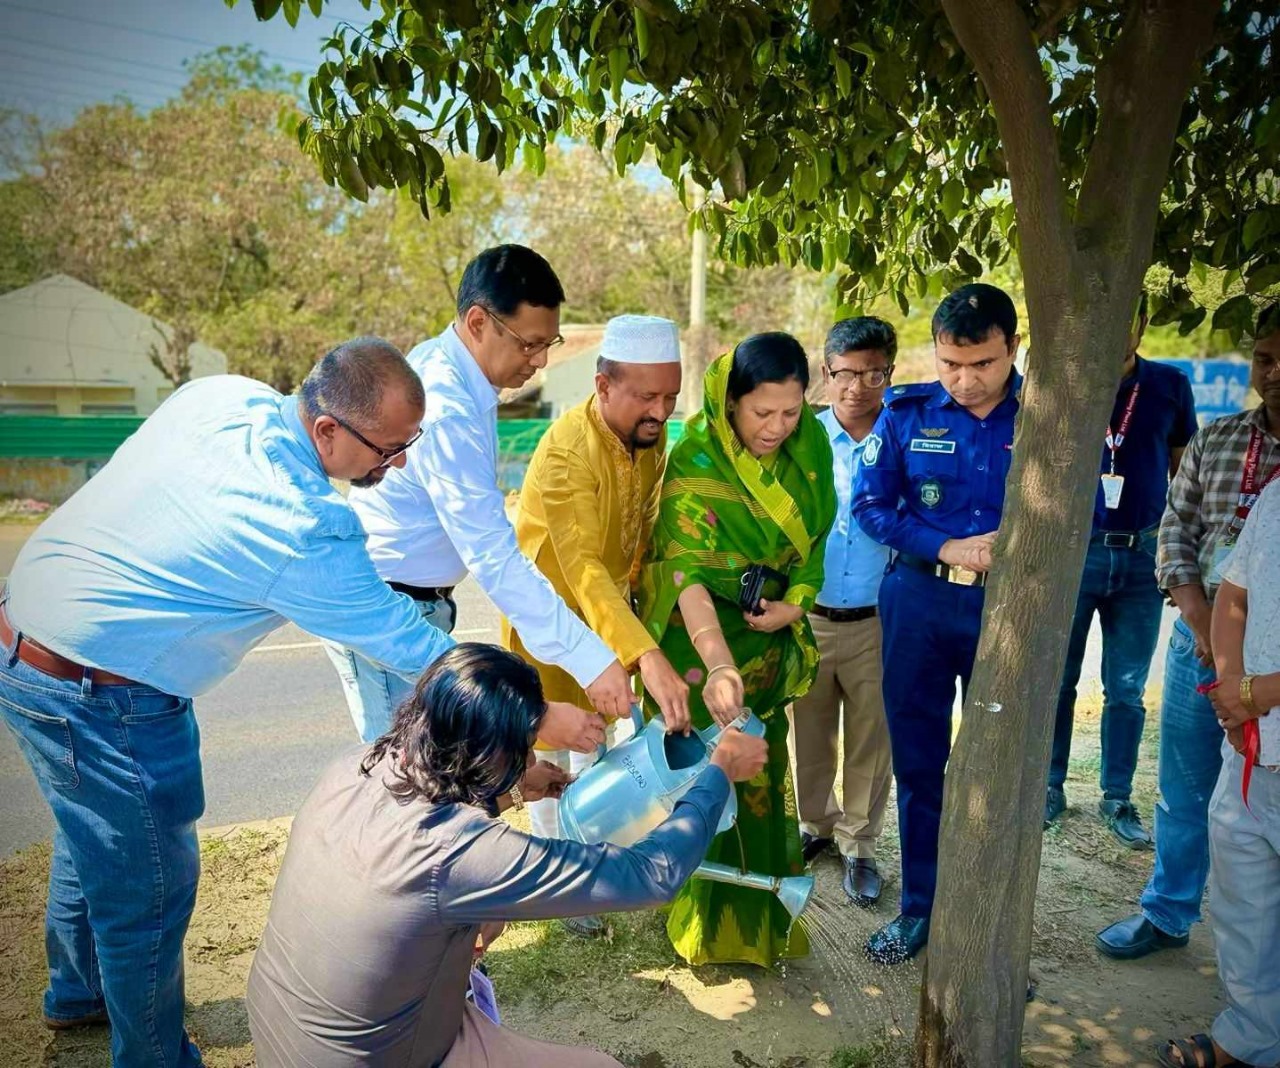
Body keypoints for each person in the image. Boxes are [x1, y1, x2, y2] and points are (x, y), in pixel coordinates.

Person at [0, 339, 470, 1068]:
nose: (397, 465)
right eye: (388, 450)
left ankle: (78, 991)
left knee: (92, 828)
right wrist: (524, 709)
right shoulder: (304, 523)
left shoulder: (222, 397)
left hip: (24, 635)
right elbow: (408, 643)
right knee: (148, 886)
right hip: (102, 692)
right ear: (327, 432)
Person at [246, 643, 769, 1068]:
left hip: (279, 1027)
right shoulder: (457, 852)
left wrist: (514, 788)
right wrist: (717, 770)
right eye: (524, 745)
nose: (530, 755)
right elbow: (651, 875)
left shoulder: (359, 764)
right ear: (492, 752)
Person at [323, 244, 630, 745]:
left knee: (430, 775)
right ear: (478, 322)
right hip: (390, 605)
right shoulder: (447, 404)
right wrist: (591, 661)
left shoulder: (463, 377)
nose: (541, 361)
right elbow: (493, 556)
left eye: (548, 343)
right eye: (529, 344)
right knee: (404, 787)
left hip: (415, 601)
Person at [637, 332, 837, 967]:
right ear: (728, 404)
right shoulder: (695, 460)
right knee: (705, 777)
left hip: (770, 639)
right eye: (761, 413)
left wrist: (797, 603)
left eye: (791, 411)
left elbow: (817, 540)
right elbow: (685, 574)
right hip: (701, 649)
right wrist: (720, 662)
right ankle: (700, 919)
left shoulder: (811, 449)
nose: (777, 427)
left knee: (759, 773)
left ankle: (760, 919)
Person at [1097, 302, 1280, 962]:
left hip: (1277, 664)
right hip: (1198, 644)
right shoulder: (1221, 440)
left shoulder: (1171, 392)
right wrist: (1203, 626)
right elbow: (1175, 533)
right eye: (1264, 358)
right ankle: (1170, 912)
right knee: (1184, 788)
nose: (1275, 371)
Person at [505, 313, 690, 936]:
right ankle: (558, 887)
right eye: (646, 396)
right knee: (554, 748)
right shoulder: (566, 452)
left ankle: (593, 870)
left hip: (613, 620)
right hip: (554, 624)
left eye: (670, 397)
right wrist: (644, 655)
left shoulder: (647, 434)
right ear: (603, 384)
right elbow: (582, 567)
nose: (660, 412)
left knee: (602, 748)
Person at [853, 283, 1022, 965]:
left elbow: (1089, 511)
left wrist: (1012, 542)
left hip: (1007, 614)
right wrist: (947, 547)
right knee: (922, 767)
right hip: (918, 604)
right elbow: (872, 507)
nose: (964, 380)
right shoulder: (906, 413)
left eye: (981, 363)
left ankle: (990, 931)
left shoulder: (1047, 417)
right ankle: (920, 909)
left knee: (998, 772)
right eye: (950, 363)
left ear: (1012, 348)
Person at [1046, 293, 1198, 847]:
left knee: (1127, 688)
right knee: (1057, 682)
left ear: (1142, 322)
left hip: (1141, 554)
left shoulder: (1169, 387)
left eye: (1125, 320)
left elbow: (1185, 475)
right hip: (1076, 553)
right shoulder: (1062, 382)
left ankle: (1117, 795)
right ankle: (1050, 786)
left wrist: (1178, 552)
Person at [1156, 477, 1280, 1068]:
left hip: (1260, 713)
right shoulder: (1278, 492)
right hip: (1254, 745)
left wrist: (1255, 693)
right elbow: (1233, 594)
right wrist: (1231, 693)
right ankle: (1252, 1035)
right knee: (1244, 899)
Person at [788, 316, 895, 907]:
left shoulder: (904, 437)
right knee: (809, 730)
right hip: (811, 617)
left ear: (889, 374)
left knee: (870, 737)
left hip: (880, 619)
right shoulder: (801, 439)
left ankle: (860, 844)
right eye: (845, 373)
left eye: (872, 373)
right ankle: (816, 825)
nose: (857, 386)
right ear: (825, 374)